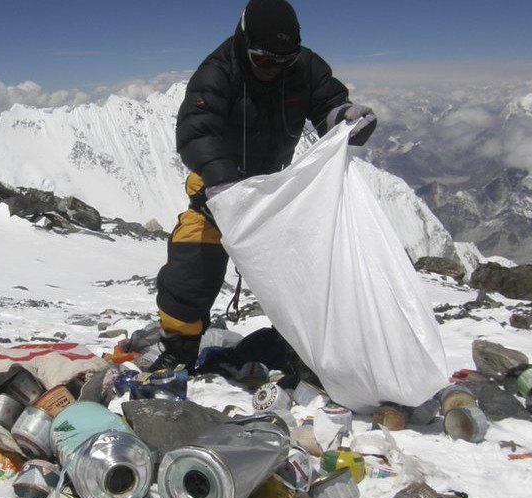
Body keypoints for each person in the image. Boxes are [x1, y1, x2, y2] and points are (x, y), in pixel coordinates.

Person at [150, 0, 377, 371]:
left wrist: (345, 119)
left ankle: (306, 349)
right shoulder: (218, 71)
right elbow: (196, 131)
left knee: (305, 269)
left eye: (284, 61)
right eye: (264, 60)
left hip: (276, 190)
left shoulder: (304, 67)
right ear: (244, 42)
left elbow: (328, 104)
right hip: (216, 191)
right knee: (192, 266)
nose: (274, 69)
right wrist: (222, 182)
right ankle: (179, 348)